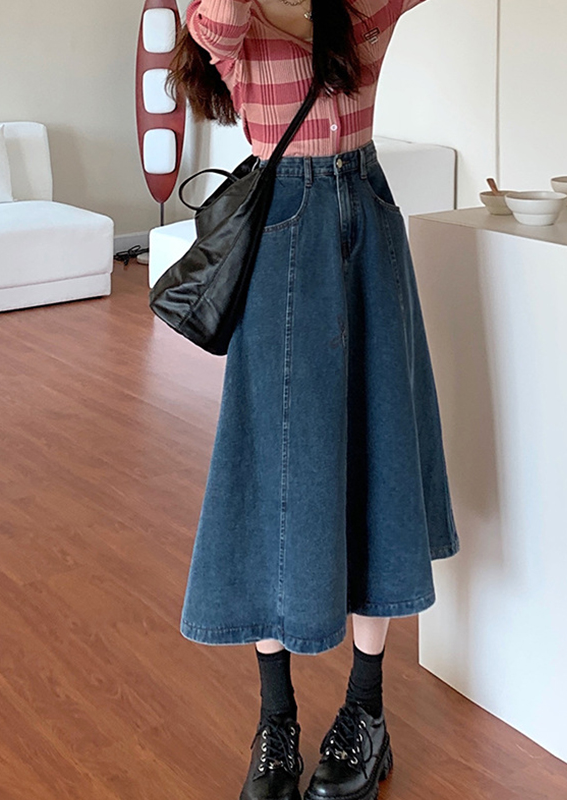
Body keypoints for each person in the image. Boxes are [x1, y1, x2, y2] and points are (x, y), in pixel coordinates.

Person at [168, 1, 460, 798]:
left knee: (379, 452)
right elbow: (217, 25)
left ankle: (367, 710)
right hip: (283, 225)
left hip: (367, 212)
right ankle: (277, 722)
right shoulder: (233, 22)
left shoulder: (357, 13)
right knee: (274, 469)